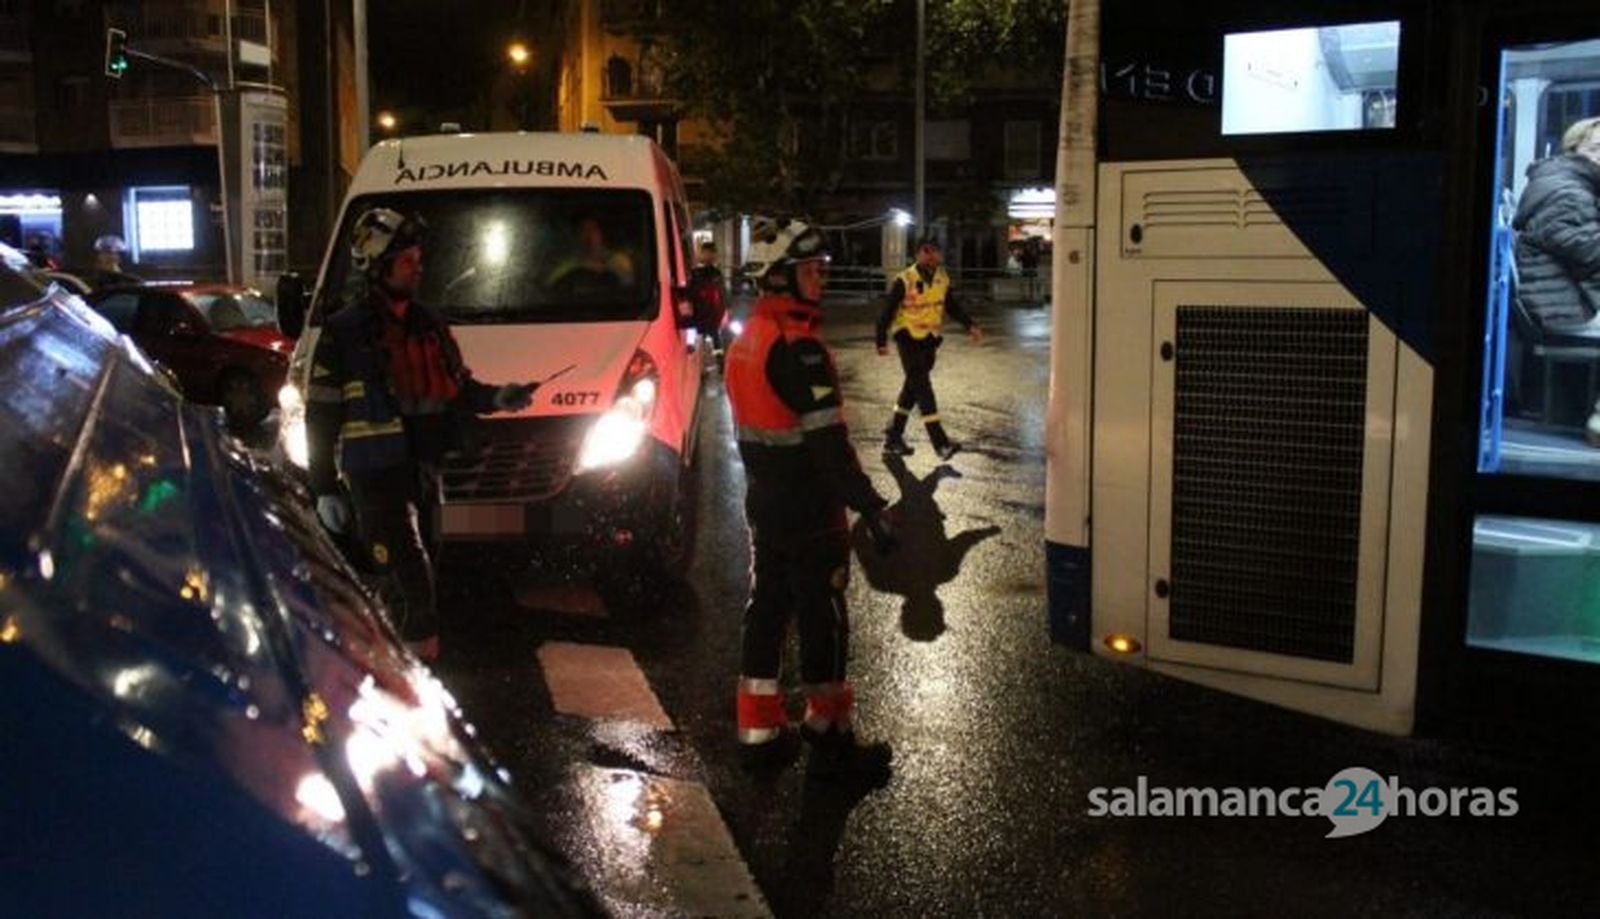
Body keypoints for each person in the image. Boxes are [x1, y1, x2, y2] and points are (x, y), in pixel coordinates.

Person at [305, 208, 538, 662]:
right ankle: (419, 682)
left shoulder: (430, 325)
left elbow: (459, 389)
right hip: (373, 474)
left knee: (416, 573)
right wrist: (323, 486)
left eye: (417, 257)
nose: (418, 266)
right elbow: (321, 414)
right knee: (413, 581)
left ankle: (387, 669)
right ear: (378, 266)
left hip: (424, 468)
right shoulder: (343, 334)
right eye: (407, 260)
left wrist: (500, 398)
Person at [724, 219, 897, 781]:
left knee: (768, 610)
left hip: (766, 503)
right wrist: (871, 505)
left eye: (819, 269)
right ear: (778, 278)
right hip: (810, 510)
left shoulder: (748, 339)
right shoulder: (798, 350)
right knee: (824, 615)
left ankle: (757, 730)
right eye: (807, 271)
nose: (818, 278)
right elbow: (828, 444)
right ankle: (829, 730)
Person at [1513, 115, 1600, 442]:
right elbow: (1589, 251)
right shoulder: (1566, 191)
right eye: (1596, 148)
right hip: (1558, 306)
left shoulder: (1570, 183)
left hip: (1562, 295)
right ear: (1574, 149)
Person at [875, 237, 983, 459]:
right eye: (926, 251)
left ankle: (893, 437)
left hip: (930, 340)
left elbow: (951, 306)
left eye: (934, 251)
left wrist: (969, 325)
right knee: (924, 390)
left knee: (910, 392)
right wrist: (881, 340)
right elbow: (887, 311)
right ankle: (940, 444)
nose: (930, 255)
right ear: (917, 255)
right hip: (908, 339)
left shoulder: (942, 278)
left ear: (940, 254)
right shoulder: (905, 279)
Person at [546, 216, 635, 288]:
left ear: (601, 234)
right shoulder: (565, 268)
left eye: (593, 230)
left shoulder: (619, 261)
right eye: (583, 230)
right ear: (576, 236)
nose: (589, 236)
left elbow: (628, 292)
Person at [690, 239, 729, 361]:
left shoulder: (716, 273)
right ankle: (703, 365)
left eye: (711, 253)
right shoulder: (695, 272)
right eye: (706, 252)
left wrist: (725, 309)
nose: (709, 256)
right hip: (699, 312)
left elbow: (722, 293)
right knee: (698, 340)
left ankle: (719, 362)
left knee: (715, 339)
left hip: (712, 313)